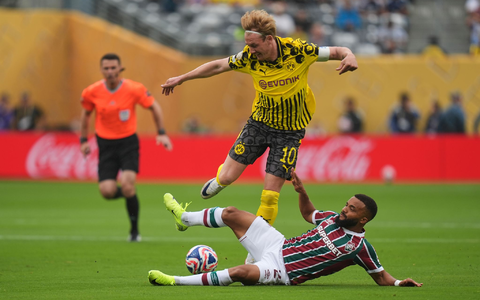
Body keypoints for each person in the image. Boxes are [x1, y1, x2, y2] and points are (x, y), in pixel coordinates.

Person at [161, 10, 358, 234]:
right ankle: (221, 179)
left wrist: (349, 54)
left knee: (270, 197)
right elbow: (218, 66)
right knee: (227, 177)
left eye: (254, 45)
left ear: (269, 39)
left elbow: (337, 51)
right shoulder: (248, 58)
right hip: (259, 124)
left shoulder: (299, 51)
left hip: (289, 133)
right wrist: (182, 78)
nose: (250, 51)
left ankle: (256, 253)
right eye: (248, 45)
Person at [148, 170, 423, 287]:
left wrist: (400, 282)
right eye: (347, 204)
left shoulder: (359, 248)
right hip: (277, 244)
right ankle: (185, 219)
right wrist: (302, 191)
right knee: (232, 213)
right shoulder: (330, 219)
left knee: (240, 272)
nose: (345, 210)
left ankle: (175, 281)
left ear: (363, 220)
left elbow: (381, 277)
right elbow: (308, 213)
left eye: (352, 209)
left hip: (282, 272)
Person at [79, 53, 173, 242]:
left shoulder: (134, 88)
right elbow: (86, 115)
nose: (110, 71)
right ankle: (130, 195)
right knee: (106, 191)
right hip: (105, 144)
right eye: (106, 68)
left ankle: (134, 232)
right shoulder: (91, 92)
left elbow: (154, 107)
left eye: (114, 68)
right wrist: (83, 140)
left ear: (120, 69)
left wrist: (161, 132)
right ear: (101, 70)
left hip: (128, 142)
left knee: (128, 186)